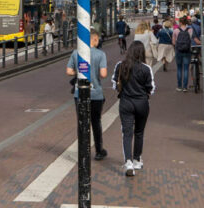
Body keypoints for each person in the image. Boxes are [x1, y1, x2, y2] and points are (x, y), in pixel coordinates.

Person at [112, 41, 155, 177]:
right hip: (142, 103)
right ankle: (137, 159)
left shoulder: (120, 66)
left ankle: (128, 162)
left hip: (126, 102)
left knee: (127, 133)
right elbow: (151, 88)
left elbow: (114, 84)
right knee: (139, 132)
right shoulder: (146, 68)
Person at [66, 29, 108, 161]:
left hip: (80, 93)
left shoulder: (76, 53)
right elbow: (103, 74)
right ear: (94, 39)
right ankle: (99, 150)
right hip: (96, 94)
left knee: (82, 122)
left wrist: (78, 73)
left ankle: (83, 151)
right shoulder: (100, 54)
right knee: (96, 122)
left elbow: (68, 71)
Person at [172, 16, 200, 92]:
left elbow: (174, 42)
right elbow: (196, 40)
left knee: (179, 68)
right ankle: (185, 87)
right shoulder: (190, 30)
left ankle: (179, 86)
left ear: (180, 22)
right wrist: (202, 43)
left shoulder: (176, 30)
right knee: (186, 69)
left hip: (178, 51)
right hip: (187, 51)